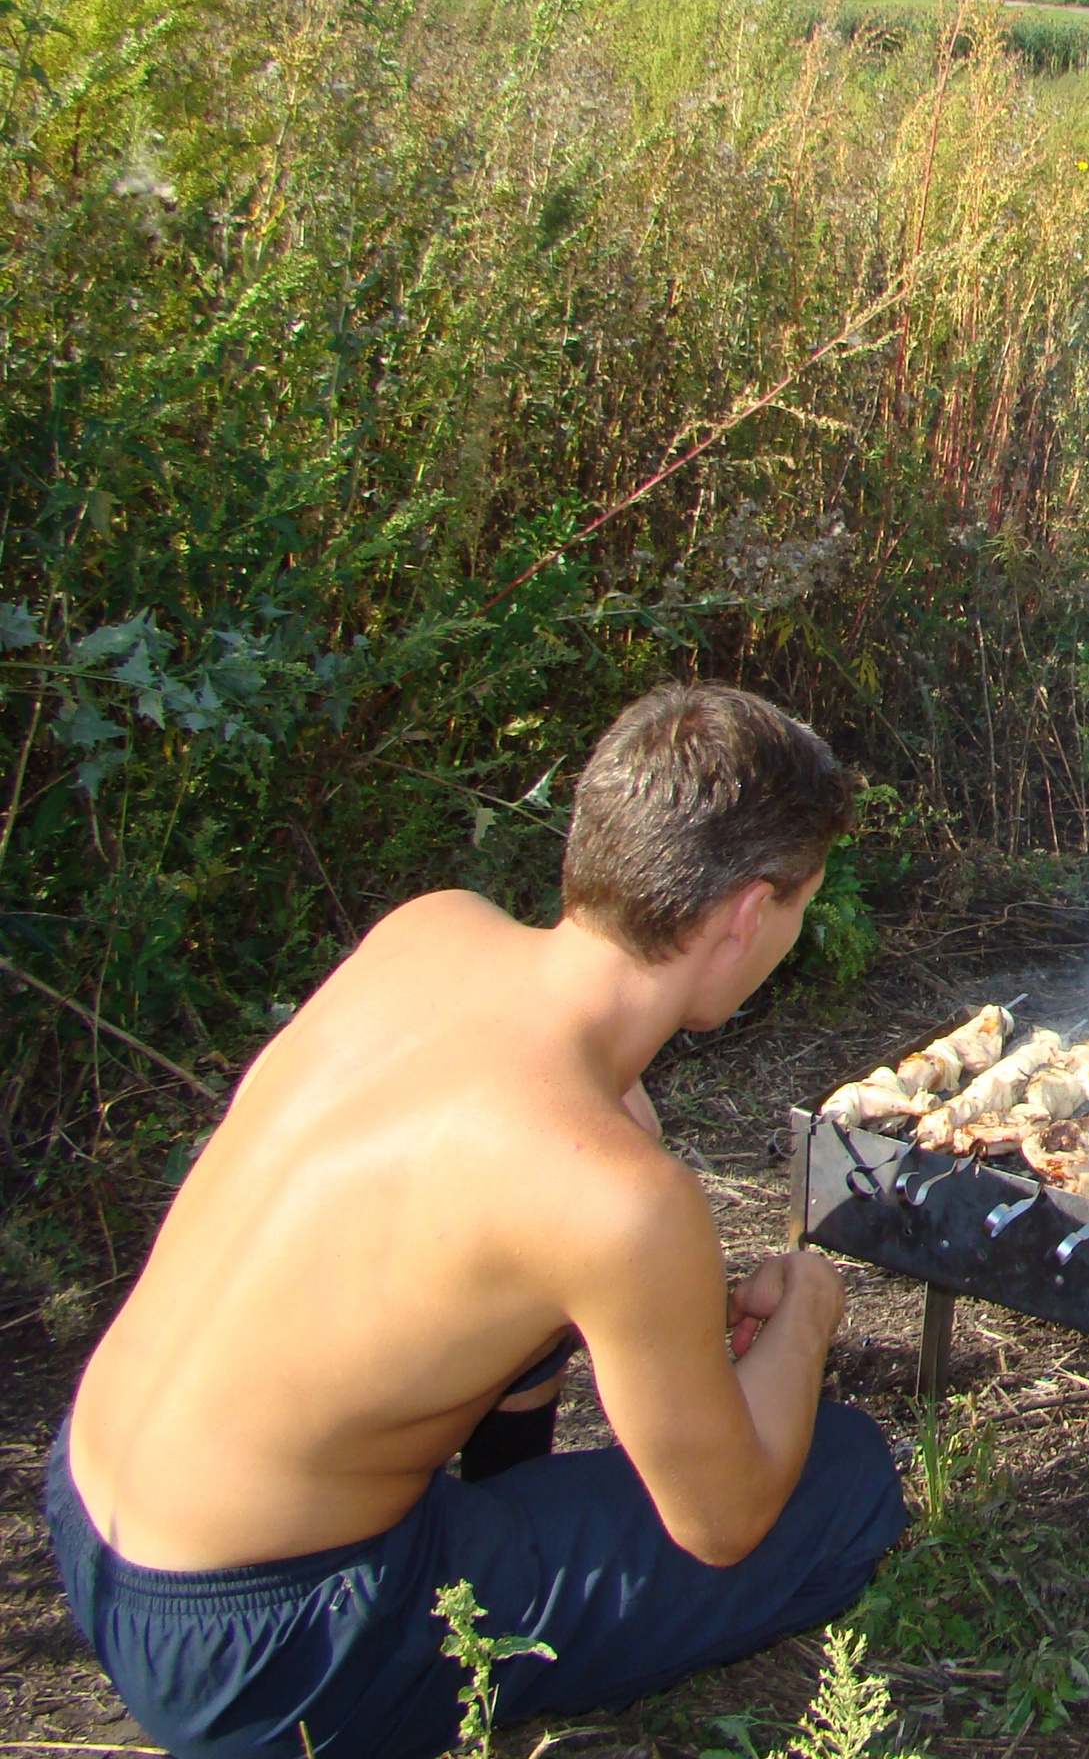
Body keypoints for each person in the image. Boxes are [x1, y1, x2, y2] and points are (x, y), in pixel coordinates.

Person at [49, 683, 908, 1759]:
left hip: (90, 1506)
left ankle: (503, 1505)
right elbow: (723, 1524)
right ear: (746, 914)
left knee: (570, 1211)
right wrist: (809, 1314)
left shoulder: (432, 928)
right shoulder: (613, 1197)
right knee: (842, 1480)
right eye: (798, 906)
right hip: (263, 1646)